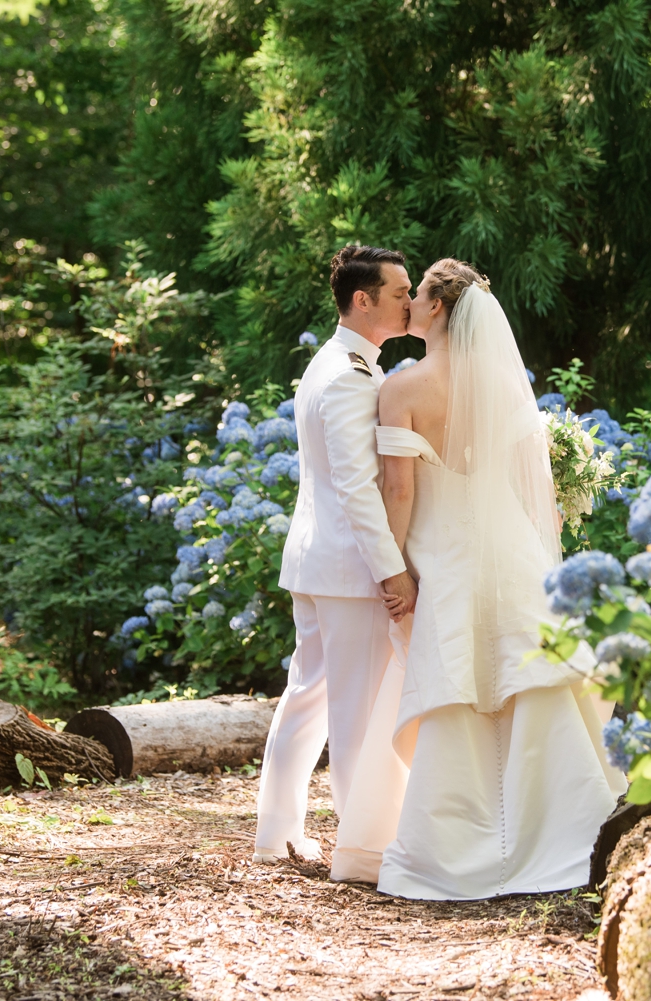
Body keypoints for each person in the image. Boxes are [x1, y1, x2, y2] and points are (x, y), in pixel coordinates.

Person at [333, 258, 622, 899]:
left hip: (446, 551)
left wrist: (397, 566)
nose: (406, 303)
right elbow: (534, 490)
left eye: (417, 295)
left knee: (460, 683)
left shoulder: (402, 389)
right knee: (529, 677)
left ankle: (459, 845)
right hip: (512, 546)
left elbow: (400, 491)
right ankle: (564, 832)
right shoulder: (500, 380)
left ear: (436, 309)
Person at [252, 245, 419, 863]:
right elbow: (356, 487)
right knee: (353, 709)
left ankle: (276, 834)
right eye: (400, 293)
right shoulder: (351, 376)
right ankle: (361, 844)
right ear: (362, 299)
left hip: (315, 559)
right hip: (349, 569)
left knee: (308, 696)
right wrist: (392, 569)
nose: (409, 302)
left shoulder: (335, 361)